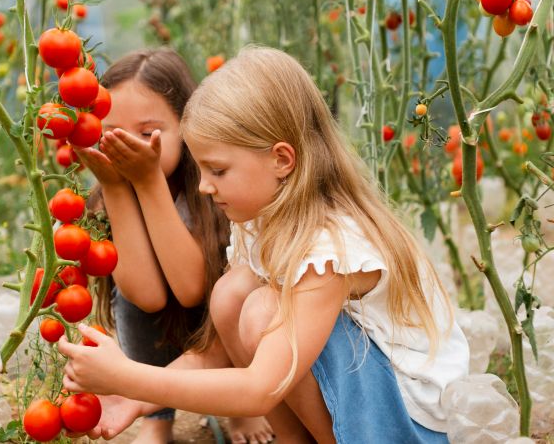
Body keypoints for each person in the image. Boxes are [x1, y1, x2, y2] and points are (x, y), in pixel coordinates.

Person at [60, 46, 470, 443]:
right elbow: (218, 352)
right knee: (231, 294)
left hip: (408, 426)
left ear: (282, 159)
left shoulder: (331, 246)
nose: (203, 186)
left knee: (262, 310)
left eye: (218, 170)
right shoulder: (261, 222)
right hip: (370, 395)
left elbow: (259, 388)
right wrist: (136, 394)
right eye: (201, 169)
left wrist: (128, 375)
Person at [75, 48, 274, 444]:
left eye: (149, 133)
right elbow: (145, 298)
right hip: (161, 328)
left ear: (186, 125)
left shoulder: (215, 188)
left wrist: (148, 181)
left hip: (218, 326)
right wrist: (116, 187)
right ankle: (157, 418)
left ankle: (238, 406)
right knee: (128, 300)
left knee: (232, 295)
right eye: (113, 131)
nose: (130, 145)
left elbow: (191, 289)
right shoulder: (108, 193)